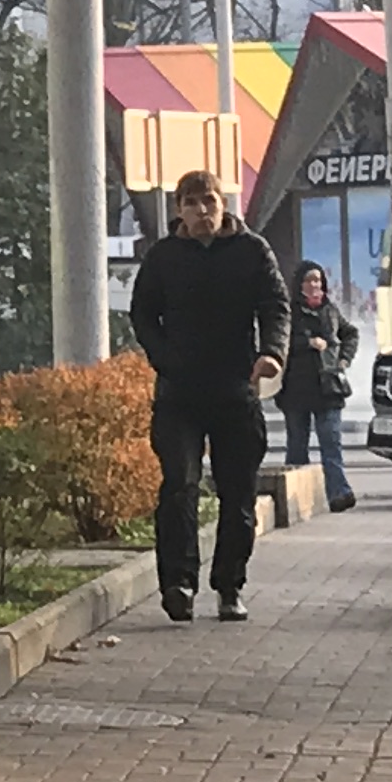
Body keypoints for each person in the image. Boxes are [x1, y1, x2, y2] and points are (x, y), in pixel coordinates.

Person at [127, 169, 290, 621]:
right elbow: (142, 315)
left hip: (235, 389)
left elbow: (275, 306)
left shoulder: (251, 251)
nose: (203, 211)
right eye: (192, 203)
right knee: (180, 485)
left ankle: (229, 585)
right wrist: (164, 358)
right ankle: (178, 584)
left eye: (210, 202)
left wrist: (272, 353)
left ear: (223, 205)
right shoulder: (163, 257)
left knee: (237, 494)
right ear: (179, 210)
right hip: (179, 392)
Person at [277, 259, 359, 513]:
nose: (314, 285)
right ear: (299, 284)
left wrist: (343, 360)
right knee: (297, 446)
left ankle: (339, 493)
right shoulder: (289, 312)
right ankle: (295, 501)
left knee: (331, 443)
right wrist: (308, 343)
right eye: (309, 280)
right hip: (297, 388)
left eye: (318, 280)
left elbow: (350, 334)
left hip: (328, 388)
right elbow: (278, 340)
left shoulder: (330, 310)